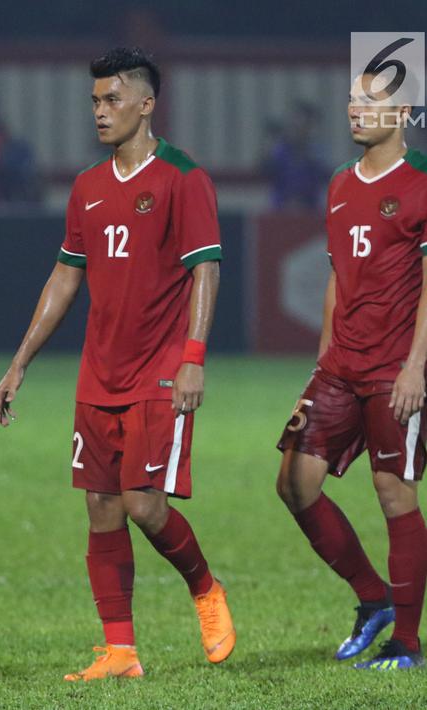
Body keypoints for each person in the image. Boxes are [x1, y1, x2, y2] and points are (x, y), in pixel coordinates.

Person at [0, 47, 235, 680]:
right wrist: (20, 363)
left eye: (112, 99)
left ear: (146, 104)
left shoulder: (183, 178)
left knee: (143, 505)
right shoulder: (88, 187)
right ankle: (120, 651)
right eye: (95, 101)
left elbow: (206, 269)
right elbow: (65, 277)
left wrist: (193, 358)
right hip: (98, 373)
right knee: (101, 507)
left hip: (160, 369)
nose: (100, 111)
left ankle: (205, 587)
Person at [275, 70, 427, 670]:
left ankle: (407, 644)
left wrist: (417, 368)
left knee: (393, 492)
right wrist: (322, 360)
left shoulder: (421, 182)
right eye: (352, 99)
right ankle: (374, 598)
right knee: (294, 483)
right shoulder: (340, 183)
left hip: (395, 368)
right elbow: (338, 275)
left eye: (370, 100)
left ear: (404, 113)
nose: (355, 109)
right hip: (340, 366)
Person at [261, 100, 330, 210]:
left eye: (306, 125)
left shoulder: (317, 154)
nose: (301, 129)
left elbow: (318, 180)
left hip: (310, 211)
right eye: (297, 125)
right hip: (280, 210)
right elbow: (264, 170)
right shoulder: (278, 151)